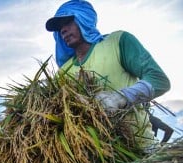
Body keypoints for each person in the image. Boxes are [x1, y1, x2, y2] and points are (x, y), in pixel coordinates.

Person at [45, 0, 171, 153]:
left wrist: (120, 98)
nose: (63, 30)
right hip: (96, 162)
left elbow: (159, 80)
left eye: (68, 22)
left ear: (84, 18)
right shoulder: (63, 73)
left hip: (141, 152)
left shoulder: (117, 42)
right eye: (59, 28)